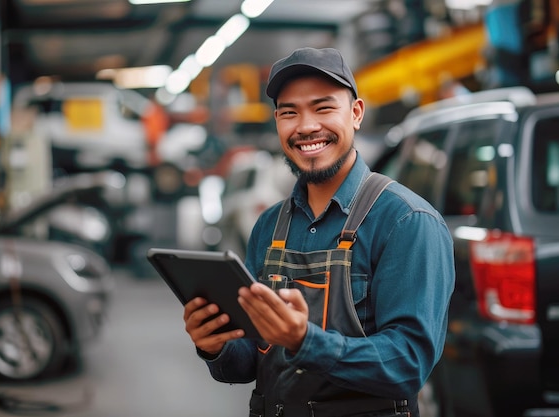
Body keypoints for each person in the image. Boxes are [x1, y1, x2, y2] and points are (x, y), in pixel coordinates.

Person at [183, 47, 455, 417]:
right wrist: (215, 345)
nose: (306, 126)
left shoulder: (407, 221)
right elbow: (249, 362)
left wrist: (305, 341)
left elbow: (407, 364)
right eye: (289, 112)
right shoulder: (268, 227)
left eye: (323, 108)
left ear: (356, 113)